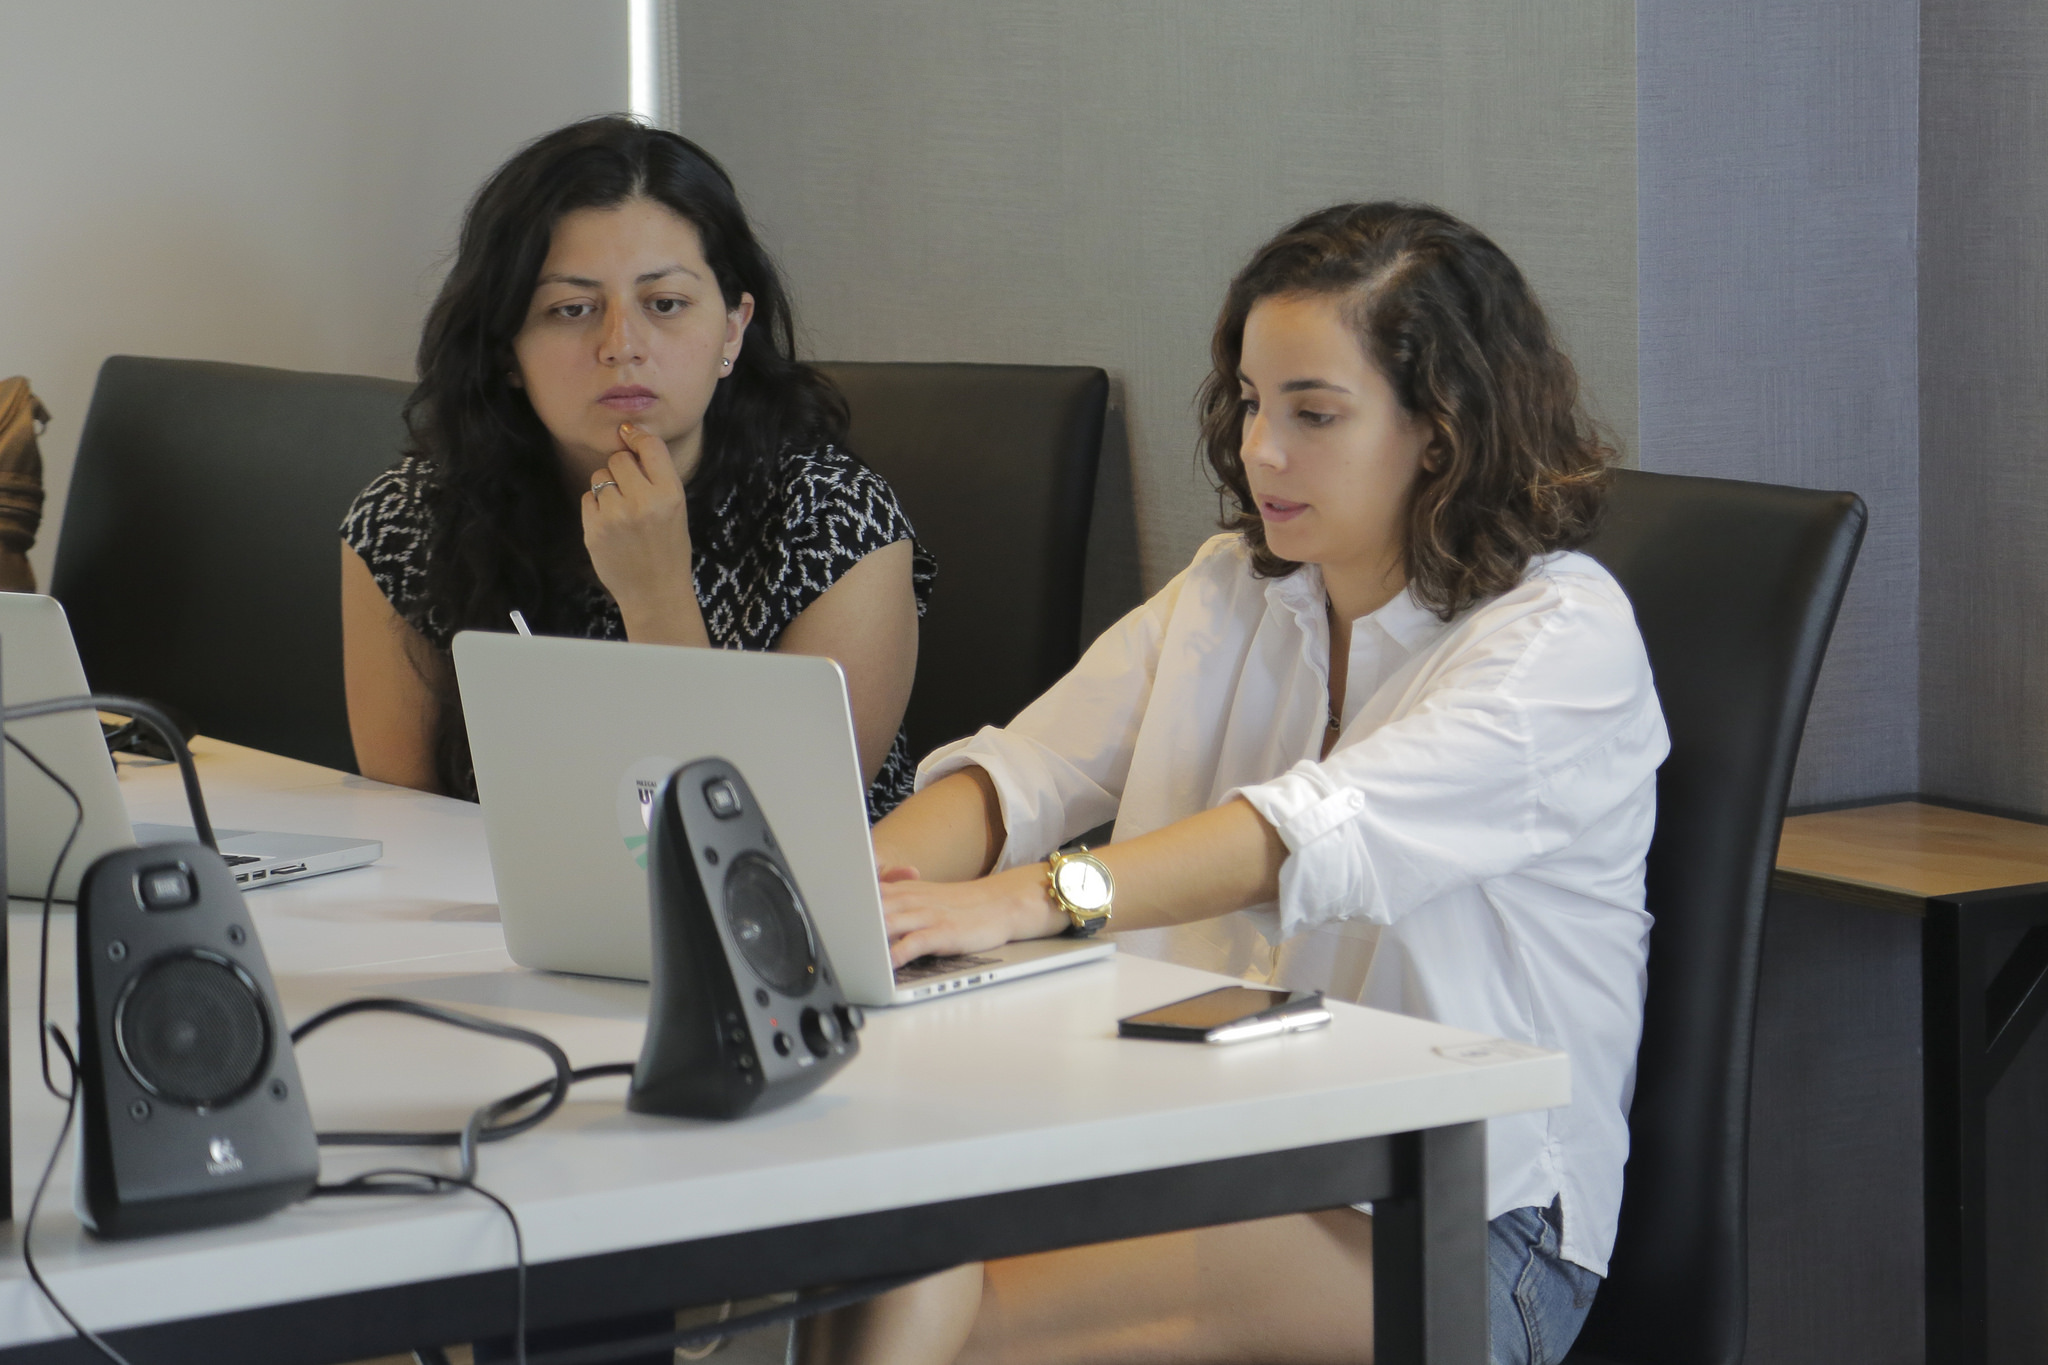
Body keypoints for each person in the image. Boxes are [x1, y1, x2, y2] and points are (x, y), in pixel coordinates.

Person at [799, 203, 1668, 1365]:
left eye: (1313, 413)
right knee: (877, 1233)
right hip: (1195, 1151)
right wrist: (845, 888)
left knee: (939, 1299)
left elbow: (1305, 834)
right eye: (1253, 402)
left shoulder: (1562, 640)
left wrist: (1023, 900)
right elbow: (1026, 773)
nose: (1261, 449)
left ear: (1439, 430)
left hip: (1463, 1232)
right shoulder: (1232, 587)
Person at [341, 117, 932, 816]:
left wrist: (656, 595)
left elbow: (776, 836)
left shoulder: (837, 523)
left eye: (666, 303)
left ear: (733, 329)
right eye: (571, 309)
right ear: (506, 349)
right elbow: (410, 819)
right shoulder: (410, 516)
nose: (621, 344)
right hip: (495, 915)